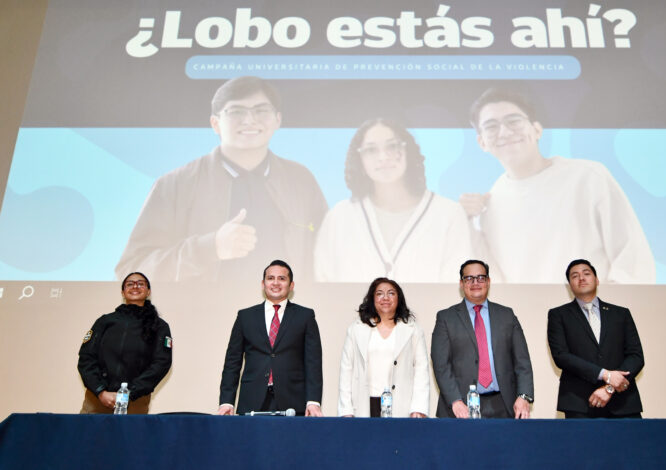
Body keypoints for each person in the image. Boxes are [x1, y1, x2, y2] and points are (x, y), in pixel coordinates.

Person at [115, 76, 327, 282]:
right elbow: (131, 272)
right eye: (236, 111)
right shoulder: (175, 185)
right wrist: (210, 248)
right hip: (203, 314)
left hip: (286, 315)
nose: (250, 120)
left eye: (261, 110)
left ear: (277, 120)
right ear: (215, 123)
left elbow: (327, 254)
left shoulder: (301, 181)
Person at [459, 88, 655, 283]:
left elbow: (633, 261)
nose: (505, 131)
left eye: (514, 121)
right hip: (530, 313)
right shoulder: (491, 204)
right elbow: (495, 280)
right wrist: (463, 218)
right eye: (491, 126)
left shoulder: (588, 177)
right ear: (481, 142)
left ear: (536, 130)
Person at [314, 118, 474, 282]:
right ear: (359, 160)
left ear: (407, 151)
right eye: (371, 150)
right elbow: (324, 281)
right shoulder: (339, 217)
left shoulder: (448, 213)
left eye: (392, 146)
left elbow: (455, 287)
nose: (383, 157)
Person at [217, 260, 323, 416]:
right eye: (270, 278)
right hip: (251, 400)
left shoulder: (305, 316)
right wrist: (227, 401)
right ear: (263, 283)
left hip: (293, 403)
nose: (275, 283)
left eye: (282, 278)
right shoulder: (245, 317)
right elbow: (232, 362)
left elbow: (313, 362)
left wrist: (313, 401)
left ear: (291, 285)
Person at [431, 260, 534, 418]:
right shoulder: (446, 318)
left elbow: (522, 361)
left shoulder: (507, 315)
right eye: (469, 278)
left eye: (480, 277)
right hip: (461, 408)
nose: (475, 283)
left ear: (488, 281)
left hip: (505, 405)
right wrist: (455, 401)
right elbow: (441, 365)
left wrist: (524, 396)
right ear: (461, 283)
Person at [547, 259, 645, 418]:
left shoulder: (621, 314)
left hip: (624, 403)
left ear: (597, 280)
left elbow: (636, 356)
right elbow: (561, 356)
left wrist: (609, 388)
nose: (581, 278)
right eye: (575, 276)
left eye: (586, 273)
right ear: (569, 285)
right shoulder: (558, 315)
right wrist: (605, 374)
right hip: (579, 403)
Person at [77, 272, 172, 414]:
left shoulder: (159, 326)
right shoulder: (104, 321)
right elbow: (86, 358)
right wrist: (100, 391)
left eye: (140, 283)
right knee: (87, 436)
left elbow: (161, 363)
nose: (135, 286)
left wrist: (130, 393)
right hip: (97, 399)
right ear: (123, 292)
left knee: (131, 437)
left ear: (148, 291)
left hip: (135, 401)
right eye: (130, 284)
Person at [338, 278, 430, 418]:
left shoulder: (412, 329)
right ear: (372, 299)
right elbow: (346, 370)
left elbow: (421, 369)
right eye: (379, 293)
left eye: (391, 293)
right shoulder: (356, 329)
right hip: (365, 404)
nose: (385, 297)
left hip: (401, 405)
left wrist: (418, 407)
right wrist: (346, 409)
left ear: (398, 298)